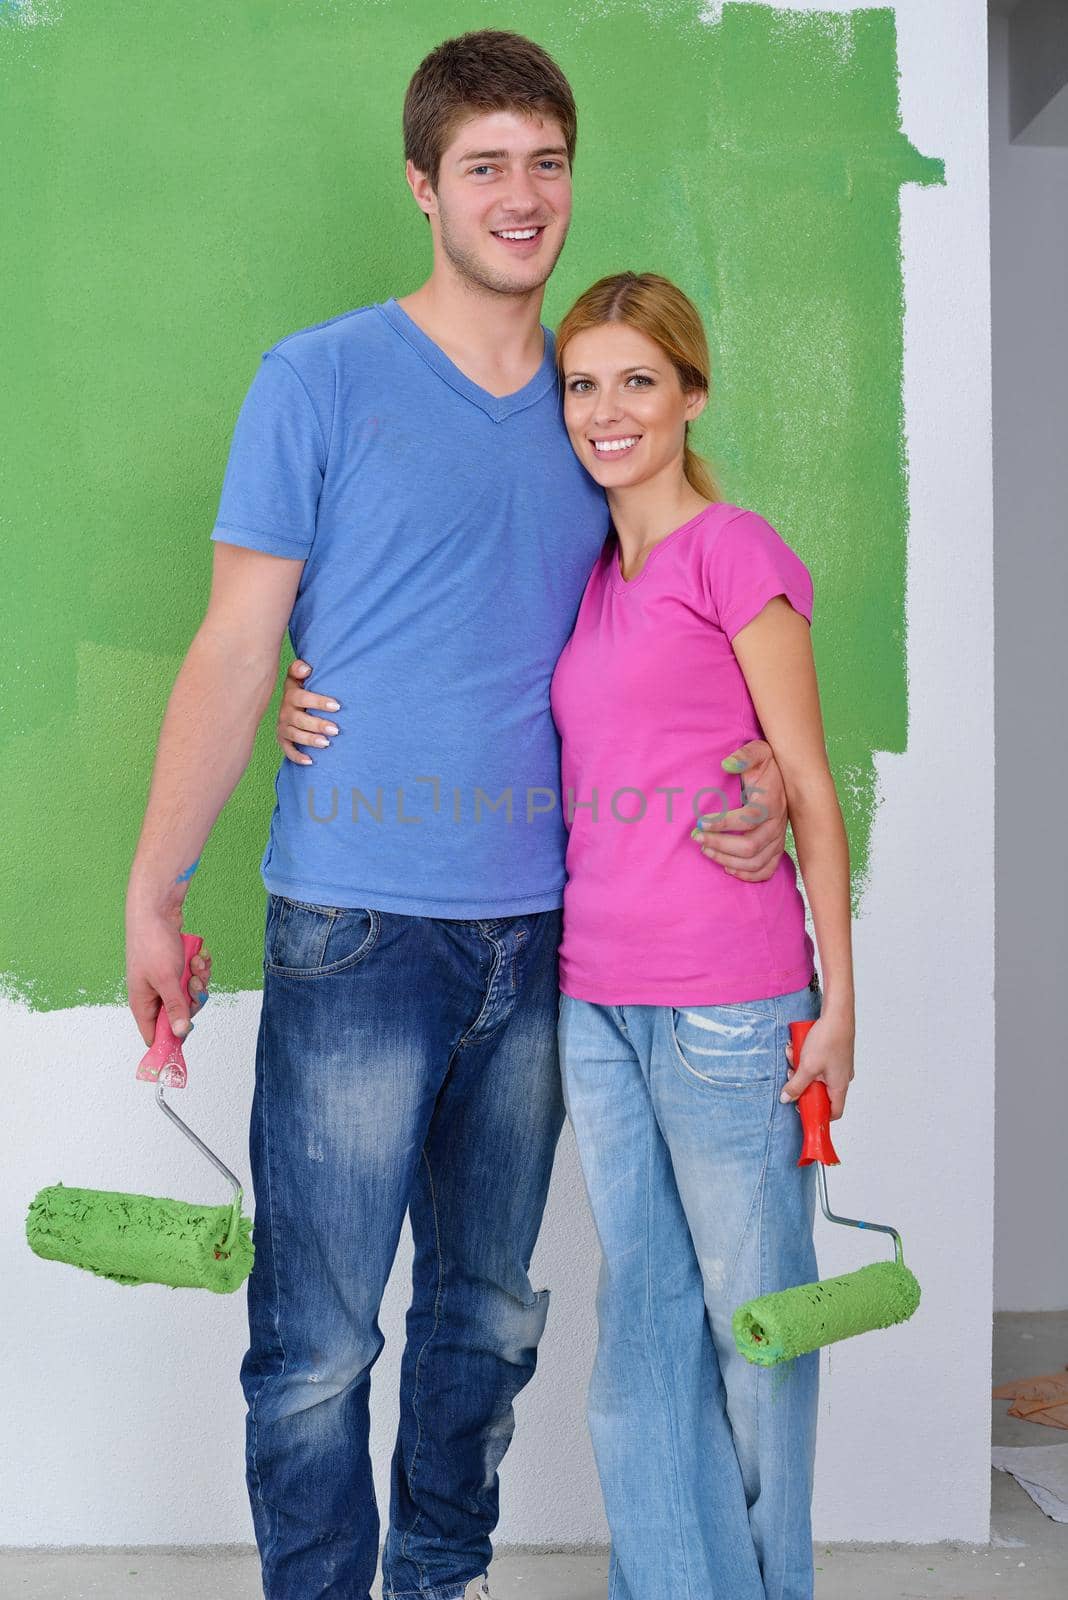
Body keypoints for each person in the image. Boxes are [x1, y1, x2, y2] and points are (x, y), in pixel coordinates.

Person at [124, 31, 792, 1600]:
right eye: (485, 164)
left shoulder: (599, 406)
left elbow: (696, 616)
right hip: (358, 924)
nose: (521, 193)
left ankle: (439, 1582)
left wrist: (758, 766)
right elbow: (235, 644)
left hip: (553, 933)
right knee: (317, 1339)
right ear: (422, 187)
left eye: (546, 163)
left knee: (486, 1315)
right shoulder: (323, 377)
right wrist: (156, 892)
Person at [278, 273, 855, 1600]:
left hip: (733, 1005)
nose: (606, 411)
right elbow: (440, 645)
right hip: (594, 1003)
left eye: (637, 382)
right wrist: (300, 679)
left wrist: (841, 1002)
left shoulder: (734, 551)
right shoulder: (591, 572)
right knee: (640, 1334)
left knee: (753, 1329)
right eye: (581, 385)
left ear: (690, 394)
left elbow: (809, 782)